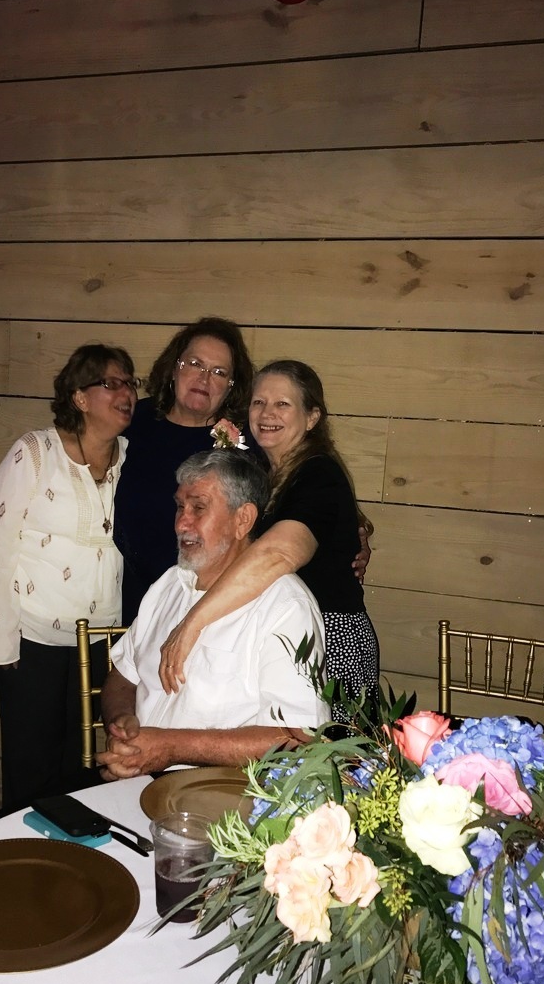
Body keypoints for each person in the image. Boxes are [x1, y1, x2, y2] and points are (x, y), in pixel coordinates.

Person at [159, 360, 379, 719]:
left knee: (321, 751)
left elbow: (278, 553)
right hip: (284, 633)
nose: (267, 413)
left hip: (328, 641)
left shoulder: (319, 473)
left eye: (283, 404)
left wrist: (193, 622)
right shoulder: (266, 471)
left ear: (312, 418)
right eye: (259, 402)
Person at [0, 344, 139, 811]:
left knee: (84, 770)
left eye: (130, 383)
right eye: (111, 383)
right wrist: (1, 643)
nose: (126, 393)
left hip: (102, 642)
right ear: (79, 397)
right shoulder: (35, 452)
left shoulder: (133, 458)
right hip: (32, 641)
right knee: (32, 773)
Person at [97, 450, 328, 780]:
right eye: (180, 506)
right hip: (138, 783)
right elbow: (123, 676)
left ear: (243, 520)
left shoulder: (284, 606)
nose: (181, 523)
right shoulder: (170, 585)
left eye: (199, 508)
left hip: (226, 797)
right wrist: (122, 724)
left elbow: (298, 737)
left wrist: (170, 749)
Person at [113, 316, 256, 626]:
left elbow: (292, 485)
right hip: (128, 596)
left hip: (204, 603)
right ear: (174, 367)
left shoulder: (244, 443)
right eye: (195, 364)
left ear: (231, 387)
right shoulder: (134, 420)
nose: (204, 379)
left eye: (219, 372)